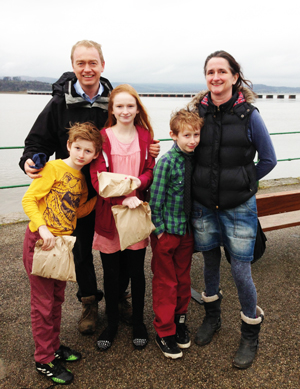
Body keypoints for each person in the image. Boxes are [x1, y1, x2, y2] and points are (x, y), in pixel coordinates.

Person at [19, 40, 160, 335]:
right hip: (73, 196)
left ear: (102, 65)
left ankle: (118, 296)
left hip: (114, 194)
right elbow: (36, 141)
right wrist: (30, 160)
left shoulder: (114, 100)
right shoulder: (60, 103)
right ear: (73, 66)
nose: (87, 69)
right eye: (81, 63)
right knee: (81, 251)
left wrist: (151, 150)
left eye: (92, 63)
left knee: (120, 250)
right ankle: (89, 302)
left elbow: (129, 135)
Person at [188, 50, 277, 369]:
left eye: (221, 71)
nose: (215, 77)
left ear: (235, 76)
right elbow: (184, 148)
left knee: (240, 269)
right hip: (203, 205)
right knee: (210, 260)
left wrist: (242, 181)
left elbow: (268, 159)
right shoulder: (196, 111)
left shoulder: (249, 115)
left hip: (239, 207)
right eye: (210, 72)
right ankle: (212, 317)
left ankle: (250, 330)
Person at [22, 122, 101, 385]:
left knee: (56, 300)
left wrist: (101, 198)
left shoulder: (80, 179)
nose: (81, 154)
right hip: (41, 242)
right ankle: (43, 359)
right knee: (43, 304)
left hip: (62, 244)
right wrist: (43, 229)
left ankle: (54, 347)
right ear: (68, 145)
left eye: (87, 151)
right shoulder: (53, 168)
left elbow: (76, 211)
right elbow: (29, 200)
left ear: (95, 155)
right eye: (77, 148)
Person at [90, 84, 155, 351]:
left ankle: (138, 322)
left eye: (131, 106)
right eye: (120, 106)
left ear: (137, 108)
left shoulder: (145, 136)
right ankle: (112, 323)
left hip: (135, 212)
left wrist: (136, 187)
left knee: (136, 272)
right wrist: (122, 198)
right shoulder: (102, 138)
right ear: (112, 109)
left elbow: (150, 169)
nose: (125, 110)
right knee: (111, 273)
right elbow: (98, 178)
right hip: (109, 215)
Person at [149, 109, 204, 359]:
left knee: (183, 280)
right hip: (167, 232)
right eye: (186, 135)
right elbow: (155, 200)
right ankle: (164, 331)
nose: (192, 140)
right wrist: (160, 232)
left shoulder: (194, 159)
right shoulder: (167, 163)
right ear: (173, 135)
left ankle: (179, 322)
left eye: (196, 134)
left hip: (186, 232)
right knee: (165, 283)